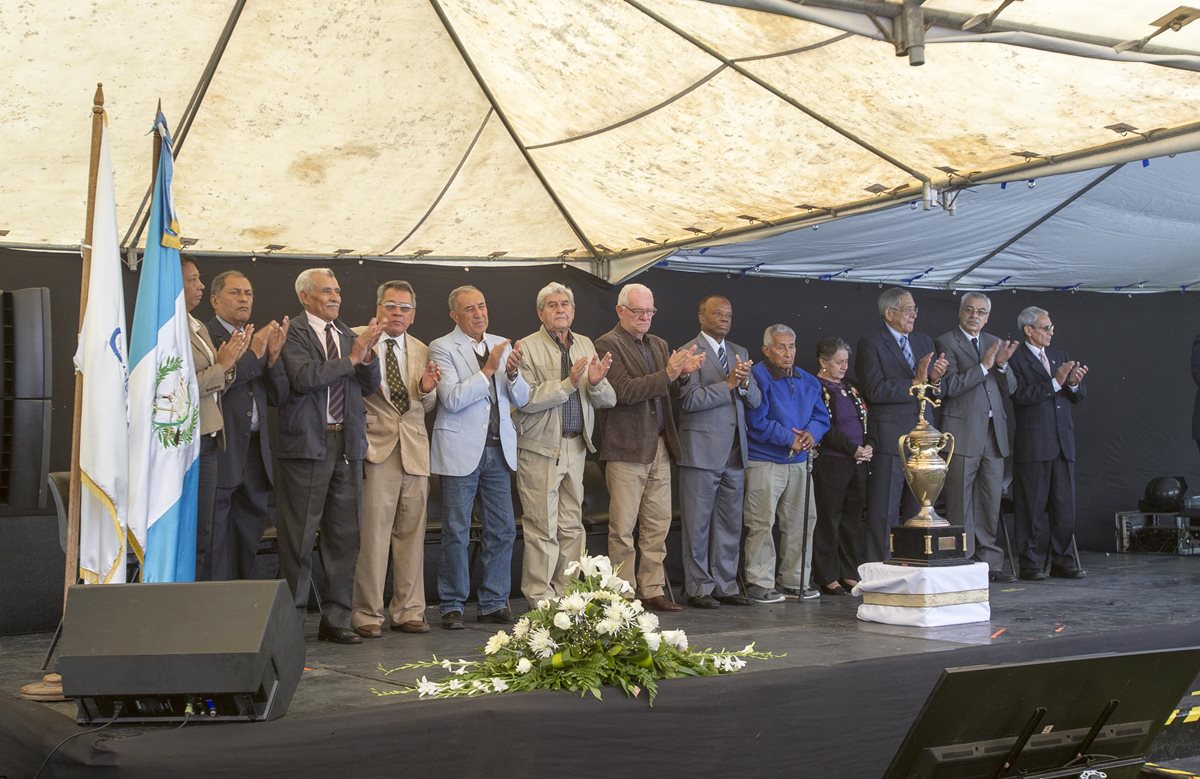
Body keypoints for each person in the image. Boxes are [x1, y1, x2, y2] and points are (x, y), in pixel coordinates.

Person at [277, 268, 382, 644]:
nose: (335, 297)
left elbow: (370, 386)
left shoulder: (349, 336)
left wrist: (367, 357)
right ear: (306, 297)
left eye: (337, 291)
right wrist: (353, 357)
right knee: (300, 538)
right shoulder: (294, 333)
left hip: (347, 445)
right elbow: (304, 378)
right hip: (307, 446)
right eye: (326, 291)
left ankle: (336, 620)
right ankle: (289, 625)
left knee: (344, 536)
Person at [594, 283, 704, 612]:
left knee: (658, 524)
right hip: (626, 448)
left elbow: (666, 392)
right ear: (620, 311)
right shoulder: (606, 343)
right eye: (638, 311)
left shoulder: (659, 344)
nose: (645, 317)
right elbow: (624, 391)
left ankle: (652, 587)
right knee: (623, 527)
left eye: (650, 311)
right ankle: (623, 593)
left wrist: (681, 376)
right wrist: (668, 373)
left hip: (660, 445)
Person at [429, 285, 530, 629]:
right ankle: (452, 603)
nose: (479, 314)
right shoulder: (442, 347)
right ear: (455, 316)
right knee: (456, 530)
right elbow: (453, 399)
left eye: (482, 307)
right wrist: (488, 369)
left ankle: (493, 601)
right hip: (460, 450)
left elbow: (523, 398)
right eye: (469, 309)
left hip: (498, 449)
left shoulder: (500, 342)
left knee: (502, 530)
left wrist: (513, 373)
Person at [513, 283, 615, 605]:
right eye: (553, 305)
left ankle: (568, 596)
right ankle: (541, 598)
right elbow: (526, 400)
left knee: (572, 526)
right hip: (540, 448)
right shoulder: (527, 347)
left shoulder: (585, 343)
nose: (560, 309)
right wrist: (570, 383)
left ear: (573, 310)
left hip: (577, 447)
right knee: (543, 527)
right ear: (540, 312)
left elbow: (608, 398)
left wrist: (595, 383)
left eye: (566, 304)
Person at [350, 281, 440, 638]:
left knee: (412, 535)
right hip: (376, 446)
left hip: (415, 449)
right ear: (377, 308)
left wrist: (429, 389)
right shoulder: (358, 337)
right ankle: (366, 614)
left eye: (404, 308)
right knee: (373, 536)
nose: (397, 313)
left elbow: (425, 404)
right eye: (391, 306)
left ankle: (408, 610)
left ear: (413, 314)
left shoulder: (420, 348)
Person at [676, 295, 760, 608]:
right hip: (700, 451)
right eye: (717, 313)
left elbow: (755, 401)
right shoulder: (689, 352)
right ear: (701, 316)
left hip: (735, 451)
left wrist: (745, 383)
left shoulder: (740, 352)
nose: (724, 318)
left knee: (729, 523)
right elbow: (688, 401)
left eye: (729, 314)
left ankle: (726, 585)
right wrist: (726, 384)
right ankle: (699, 587)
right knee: (697, 524)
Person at [206, 270, 289, 581]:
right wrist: (255, 352)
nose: (244, 299)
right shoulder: (206, 336)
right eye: (235, 293)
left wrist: (273, 358)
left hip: (256, 454)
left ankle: (242, 608)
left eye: (249, 293)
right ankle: (216, 610)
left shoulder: (259, 340)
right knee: (217, 538)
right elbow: (222, 383)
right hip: (222, 450)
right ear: (214, 300)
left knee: (248, 535)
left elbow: (280, 396)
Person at [855, 287, 947, 563]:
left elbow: (932, 392)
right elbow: (874, 389)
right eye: (909, 310)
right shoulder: (871, 343)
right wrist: (914, 382)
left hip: (924, 440)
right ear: (889, 313)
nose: (914, 315)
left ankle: (914, 563)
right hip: (891, 437)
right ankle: (879, 569)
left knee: (919, 507)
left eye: (915, 310)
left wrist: (936, 380)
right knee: (884, 508)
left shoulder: (923, 341)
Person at [934, 293, 1019, 583]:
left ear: (987, 317)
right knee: (959, 498)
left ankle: (990, 562)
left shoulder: (994, 341)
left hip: (993, 435)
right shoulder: (946, 341)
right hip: (962, 431)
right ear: (960, 313)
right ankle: (963, 557)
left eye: (981, 312)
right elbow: (949, 386)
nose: (974, 316)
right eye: (969, 310)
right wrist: (983, 366)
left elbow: (1010, 389)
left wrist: (1003, 365)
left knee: (990, 499)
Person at [743, 324, 830, 602]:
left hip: (800, 461)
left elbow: (822, 418)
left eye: (791, 346)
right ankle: (760, 581)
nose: (787, 352)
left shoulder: (808, 380)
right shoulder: (757, 375)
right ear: (766, 349)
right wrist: (788, 439)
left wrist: (811, 435)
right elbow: (755, 422)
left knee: (802, 522)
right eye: (780, 346)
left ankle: (795, 580)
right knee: (761, 522)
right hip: (765, 460)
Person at [1008, 306, 1088, 580]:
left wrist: (1074, 383)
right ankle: (1029, 562)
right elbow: (1019, 395)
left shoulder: (1059, 356)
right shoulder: (1016, 359)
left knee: (1064, 506)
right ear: (1029, 330)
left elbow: (1076, 396)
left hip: (1063, 442)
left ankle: (1062, 560)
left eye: (1052, 327)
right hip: (1034, 444)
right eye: (1046, 328)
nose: (1051, 332)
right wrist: (1055, 383)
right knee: (1030, 507)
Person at [181, 257, 247, 581]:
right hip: (181, 443)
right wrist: (224, 365)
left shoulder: (198, 326)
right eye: (193, 280)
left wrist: (228, 365)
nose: (200, 286)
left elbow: (217, 381)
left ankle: (199, 601)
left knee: (203, 533)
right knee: (187, 536)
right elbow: (181, 387)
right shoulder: (168, 330)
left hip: (208, 438)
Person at [811, 337, 871, 596]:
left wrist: (869, 445)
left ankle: (849, 571)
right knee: (829, 519)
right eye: (838, 362)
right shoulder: (816, 387)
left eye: (846, 361)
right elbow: (825, 426)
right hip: (832, 463)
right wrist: (851, 448)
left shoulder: (852, 387)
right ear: (823, 361)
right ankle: (827, 575)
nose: (844, 366)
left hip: (857, 463)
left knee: (851, 520)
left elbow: (867, 419)